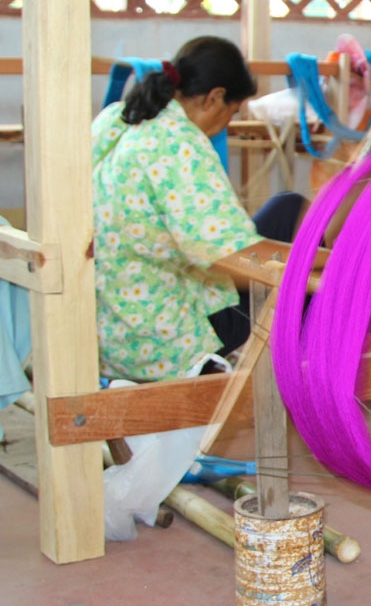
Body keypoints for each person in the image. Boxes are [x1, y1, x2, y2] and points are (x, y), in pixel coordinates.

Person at [92, 36, 313, 382]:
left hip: (112, 321)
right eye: (232, 111)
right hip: (161, 339)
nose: (226, 123)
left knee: (287, 208)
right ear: (215, 97)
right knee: (308, 287)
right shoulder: (178, 143)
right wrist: (327, 265)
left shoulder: (118, 118)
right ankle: (309, 372)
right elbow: (233, 258)